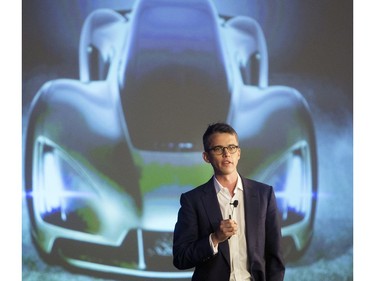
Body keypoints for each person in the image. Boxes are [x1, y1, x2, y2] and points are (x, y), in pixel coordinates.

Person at [173, 122, 285, 281]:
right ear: (206, 157)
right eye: (218, 149)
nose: (226, 154)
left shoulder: (264, 194)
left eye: (231, 147)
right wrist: (215, 238)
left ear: (238, 153)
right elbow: (181, 258)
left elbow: (275, 255)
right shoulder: (193, 200)